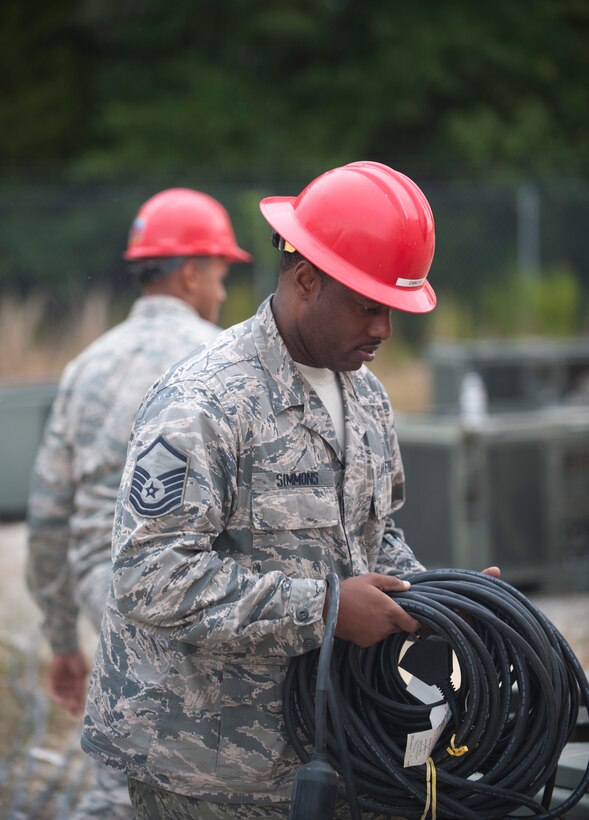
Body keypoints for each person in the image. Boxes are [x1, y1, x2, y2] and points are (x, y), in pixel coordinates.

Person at [81, 161, 500, 819]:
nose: (383, 331)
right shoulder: (204, 403)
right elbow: (148, 576)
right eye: (368, 306)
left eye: (391, 310)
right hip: (204, 771)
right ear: (306, 279)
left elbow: (374, 535)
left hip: (326, 749)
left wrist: (441, 597)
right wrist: (327, 610)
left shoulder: (364, 395)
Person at [25, 186, 252, 819]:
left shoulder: (85, 367)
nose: (224, 292)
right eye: (221, 274)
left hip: (107, 595)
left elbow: (48, 515)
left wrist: (61, 638)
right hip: (201, 600)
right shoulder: (226, 363)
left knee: (121, 777)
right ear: (189, 273)